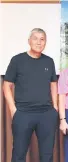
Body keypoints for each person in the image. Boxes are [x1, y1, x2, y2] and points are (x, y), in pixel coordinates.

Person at [3, 28, 58, 162]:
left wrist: (55, 107)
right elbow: (6, 85)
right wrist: (13, 109)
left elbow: (53, 84)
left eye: (42, 39)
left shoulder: (49, 61)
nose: (39, 42)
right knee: (19, 154)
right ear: (29, 41)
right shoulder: (17, 60)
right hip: (23, 113)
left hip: (46, 114)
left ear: (45, 42)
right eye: (35, 38)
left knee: (47, 155)